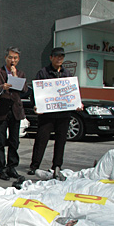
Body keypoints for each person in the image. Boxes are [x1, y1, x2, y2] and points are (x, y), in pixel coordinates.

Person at [28, 47, 83, 177]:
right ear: (51, 57)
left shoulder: (67, 74)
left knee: (61, 141)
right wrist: (36, 105)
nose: (59, 59)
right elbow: (35, 93)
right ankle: (34, 165)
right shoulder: (43, 73)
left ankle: (57, 166)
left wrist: (77, 103)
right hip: (47, 115)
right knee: (41, 140)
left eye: (62, 57)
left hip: (63, 115)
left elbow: (73, 93)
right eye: (57, 56)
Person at [0, 47, 28, 180]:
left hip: (15, 111)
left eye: (15, 58)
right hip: (1, 111)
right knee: (0, 141)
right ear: (6, 58)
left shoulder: (21, 73)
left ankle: (12, 167)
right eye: (11, 57)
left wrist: (15, 76)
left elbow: (24, 90)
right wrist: (2, 86)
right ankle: (2, 169)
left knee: (14, 141)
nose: (13, 60)